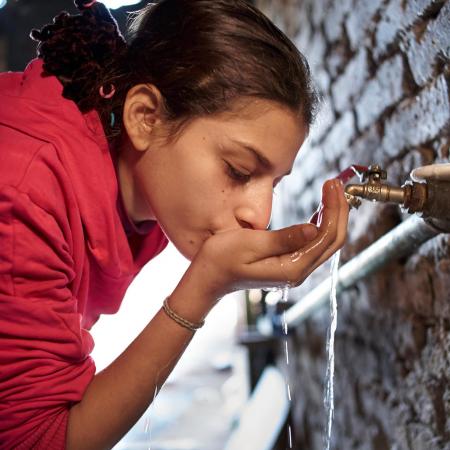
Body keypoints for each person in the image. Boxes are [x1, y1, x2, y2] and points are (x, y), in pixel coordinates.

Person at [0, 0, 348, 448]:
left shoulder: (149, 198)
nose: (259, 216)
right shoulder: (23, 191)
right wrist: (203, 286)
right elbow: (34, 440)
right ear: (145, 117)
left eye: (274, 183)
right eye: (239, 171)